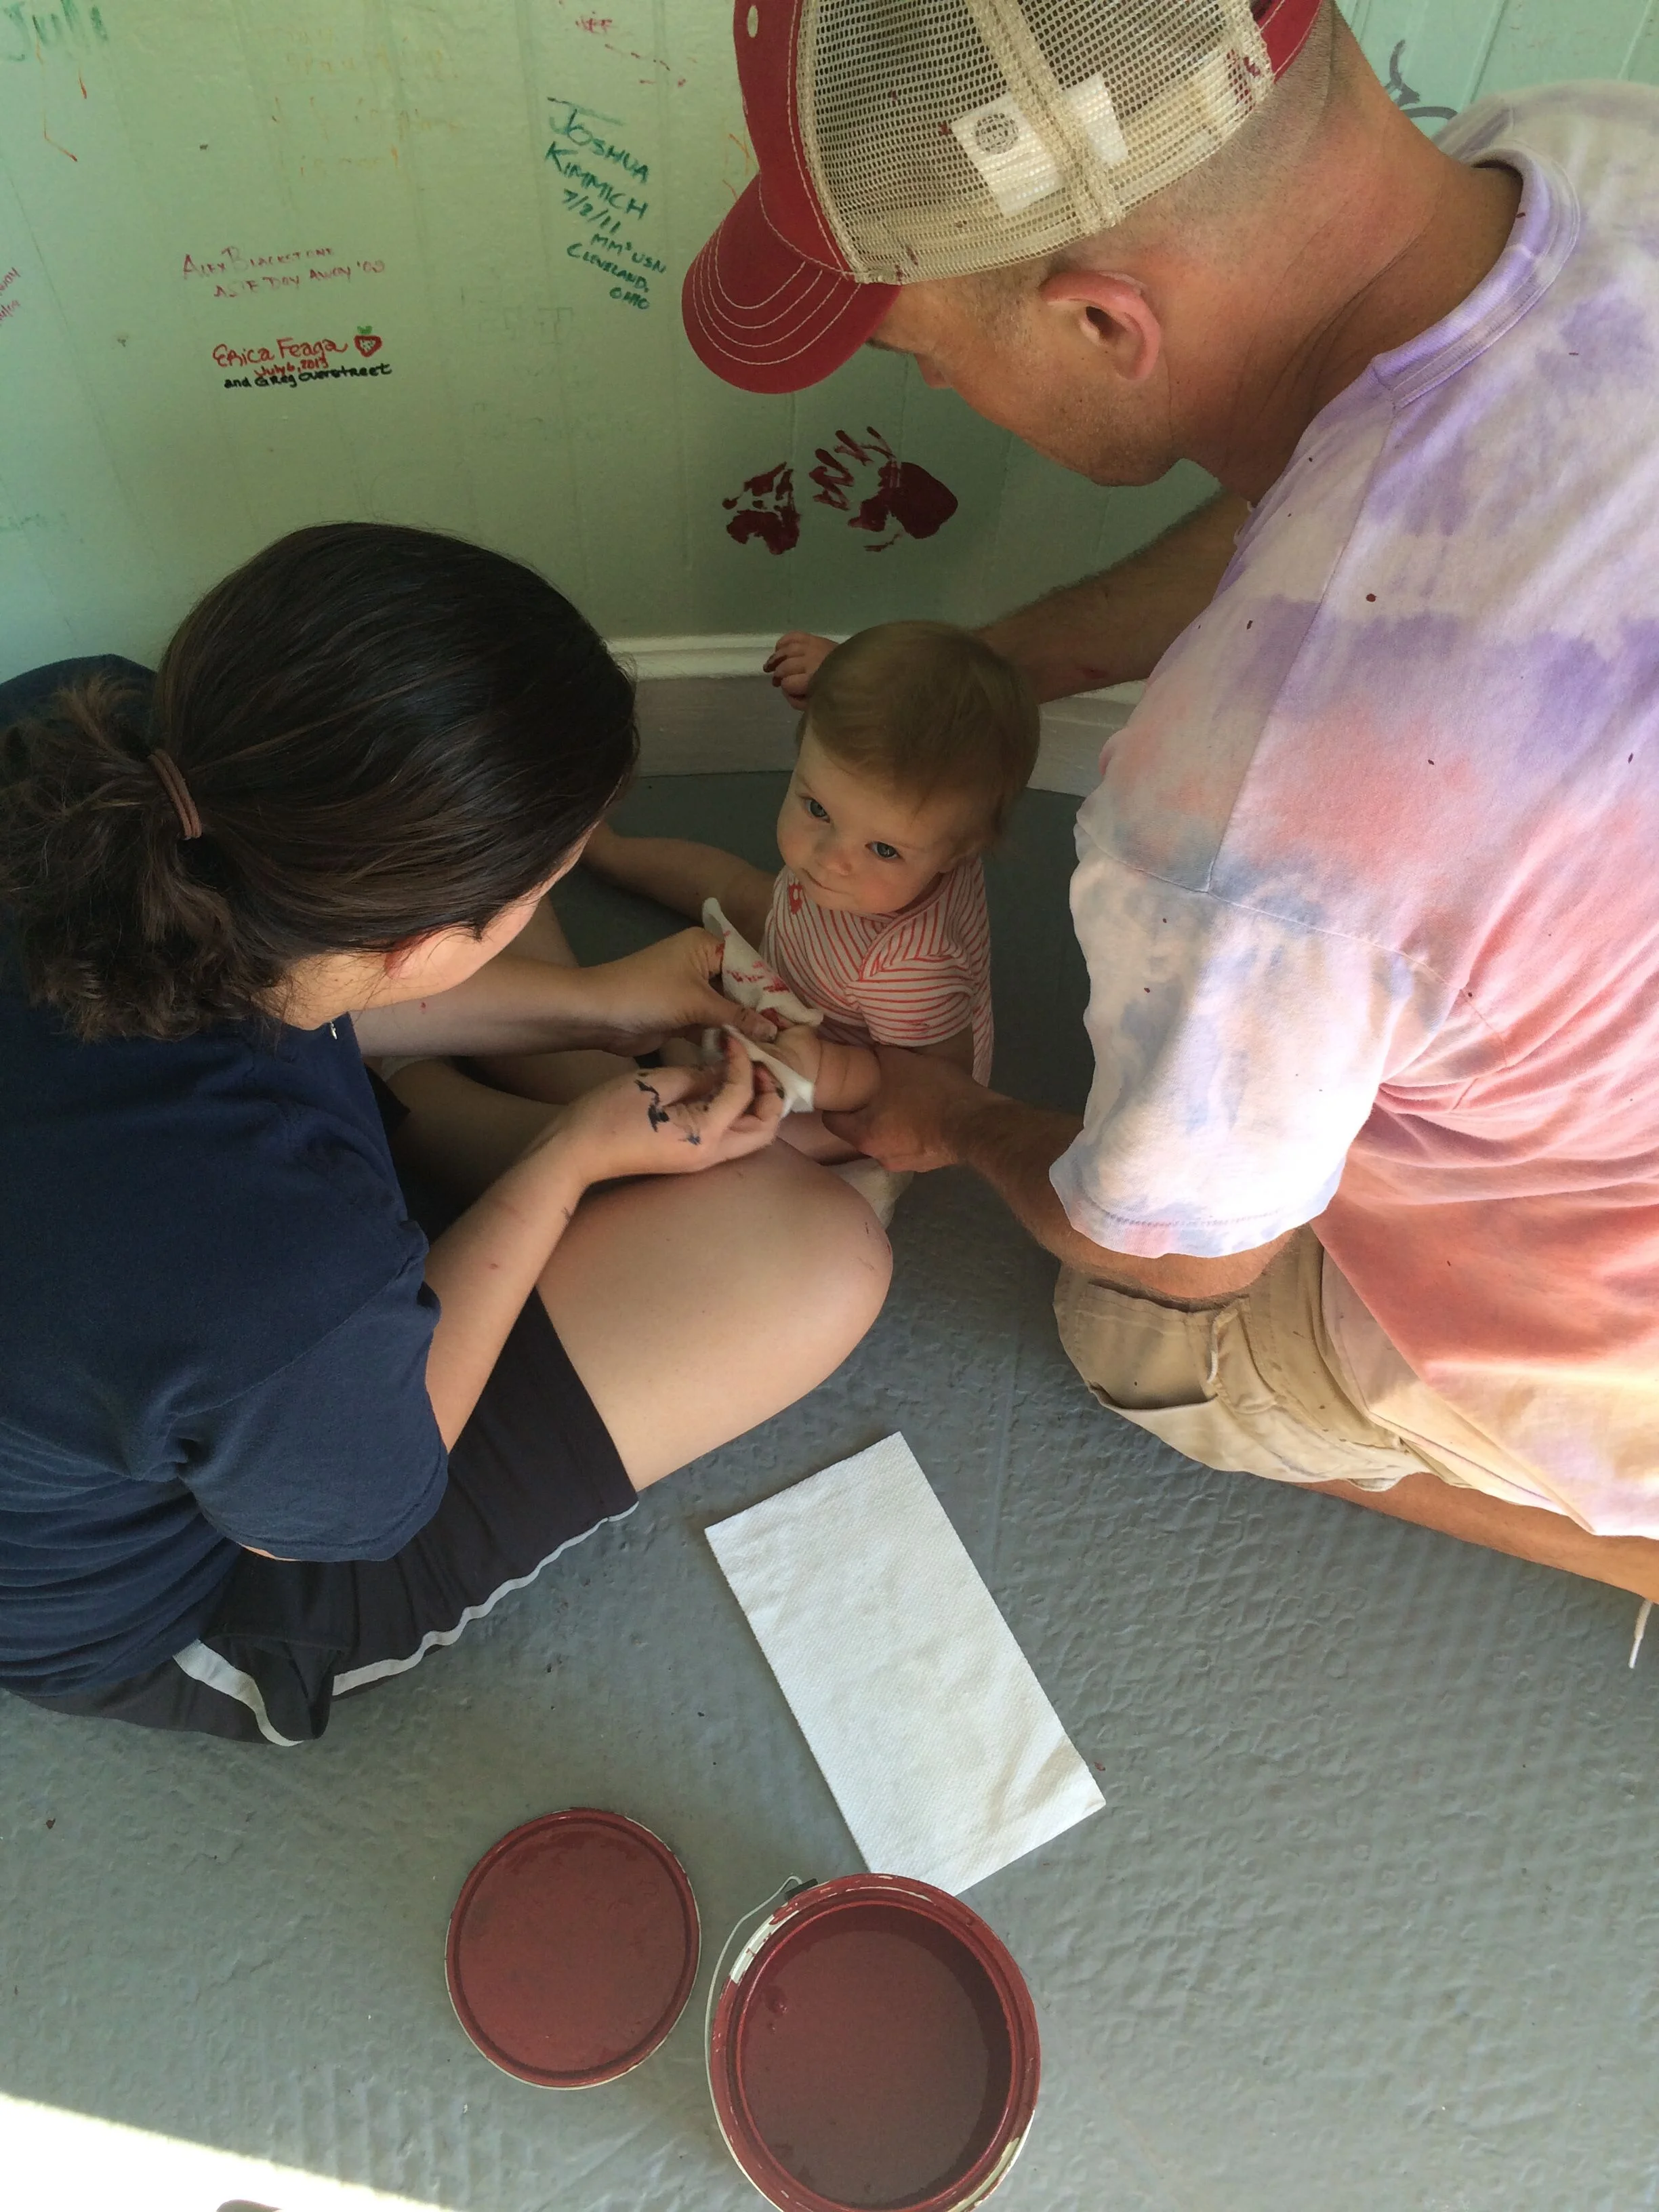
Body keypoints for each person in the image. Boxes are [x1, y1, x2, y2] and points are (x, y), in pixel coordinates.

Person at [680, 0, 1659, 1604]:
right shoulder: (1592, 148)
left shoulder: (1245, 826)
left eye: (917, 353)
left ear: (1096, 323)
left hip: (1603, 1298)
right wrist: (986, 671)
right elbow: (1345, 487)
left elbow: (1184, 1248)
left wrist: (960, 1120)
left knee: (1129, 1335)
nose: (927, 388)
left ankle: (1606, 1523)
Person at [0, 523, 890, 1744]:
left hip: (168, 1306)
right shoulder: (270, 1272)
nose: (544, 906)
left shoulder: (88, 727)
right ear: (412, 949)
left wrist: (600, 1000)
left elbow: (268, 998)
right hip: (175, 1593)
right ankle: (474, 1123)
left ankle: (458, 1102)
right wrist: (569, 1153)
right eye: (532, 893)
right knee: (821, 1254)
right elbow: (332, 1502)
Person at [581, 622, 1038, 1220]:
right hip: (809, 936)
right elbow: (890, 698)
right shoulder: (890, 849)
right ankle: (614, 855)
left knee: (742, 1136)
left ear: (958, 853)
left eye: (884, 849)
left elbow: (927, 1085)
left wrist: (824, 1070)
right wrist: (834, 674)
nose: (829, 859)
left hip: (875, 1055)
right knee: (726, 886)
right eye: (817, 808)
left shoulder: (915, 970)